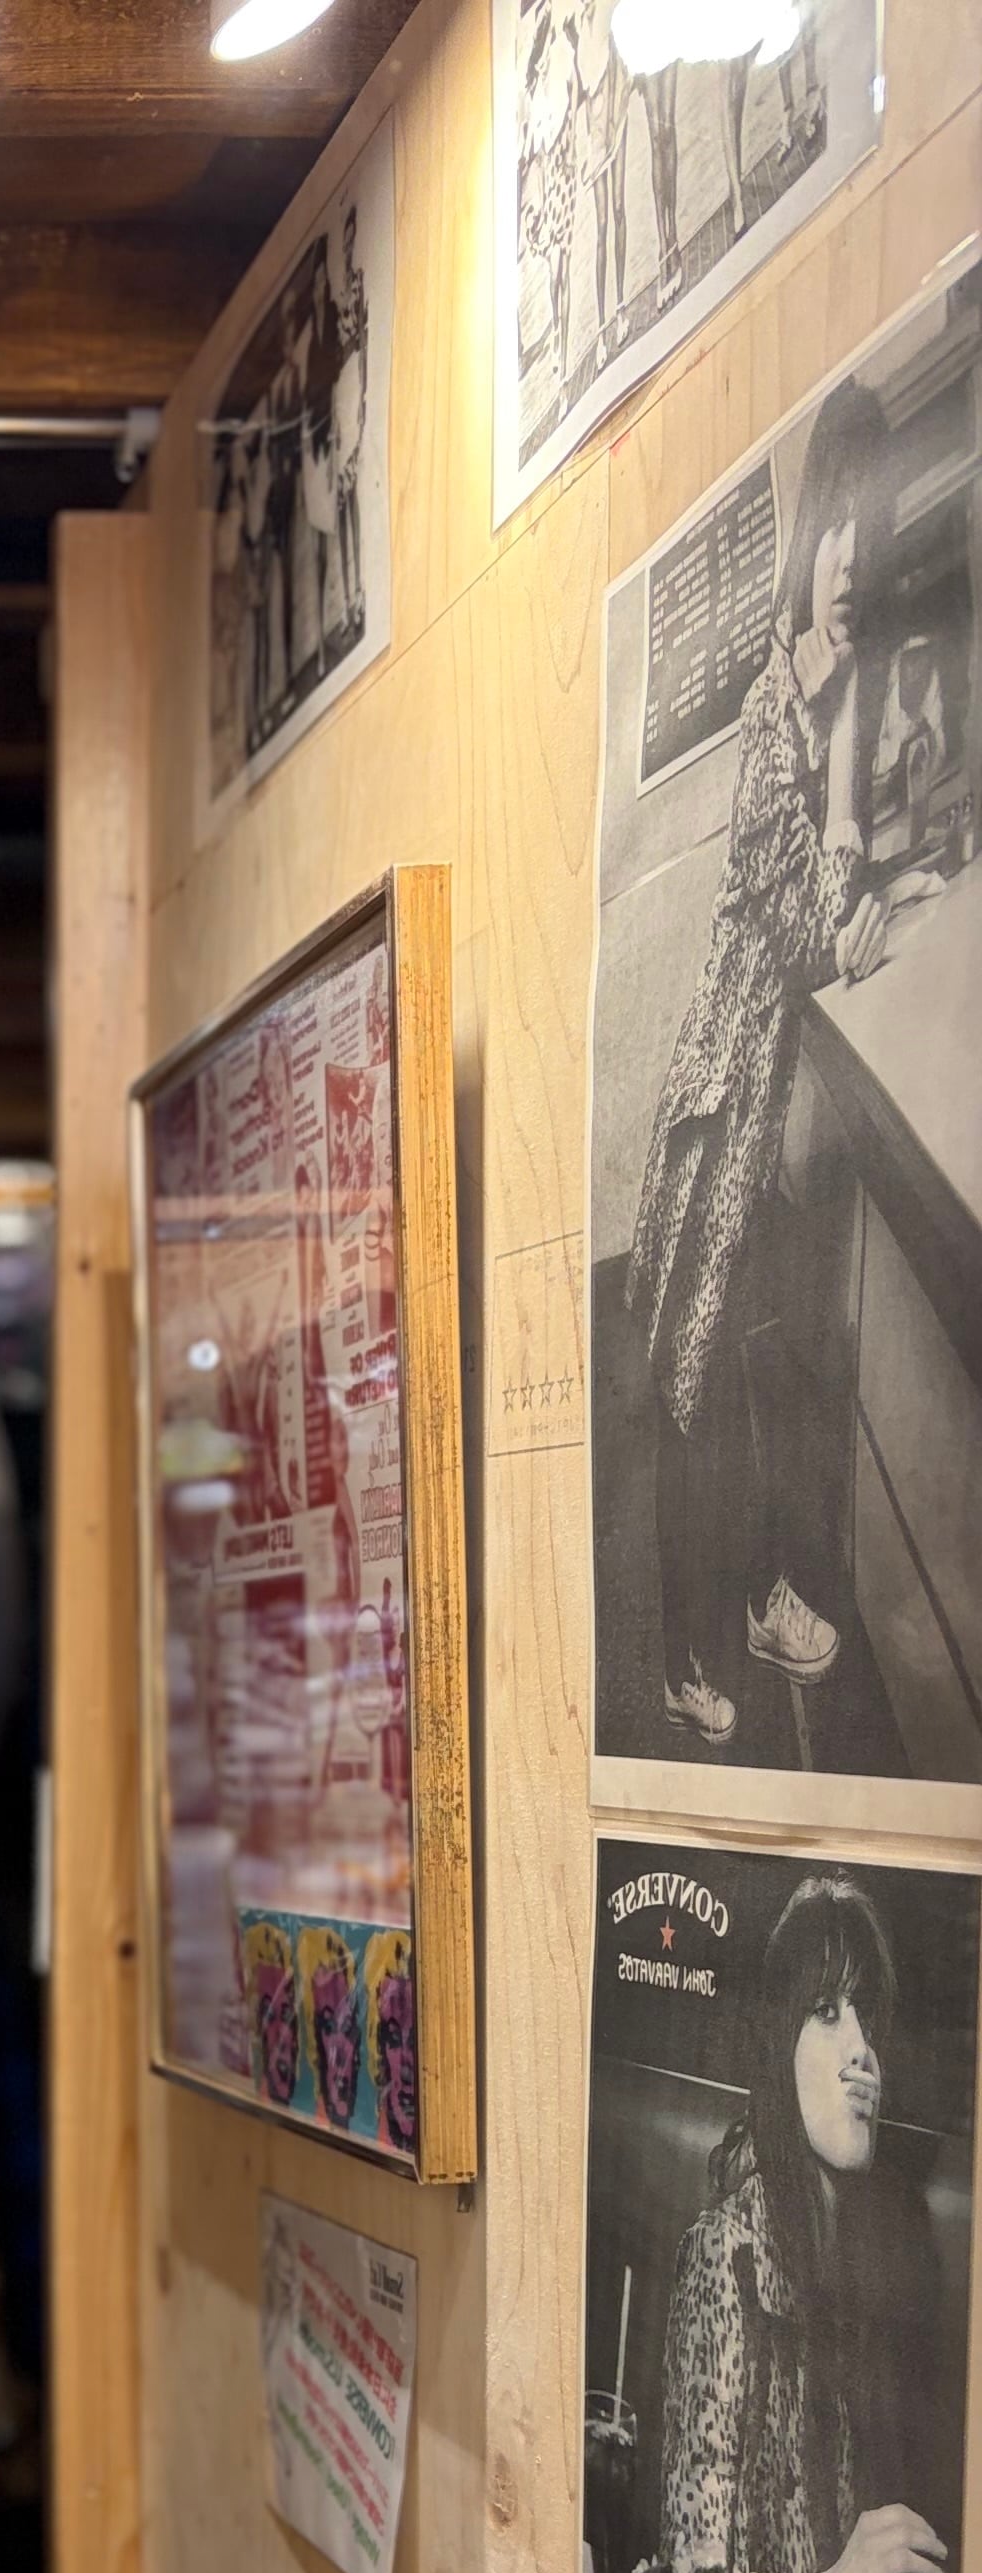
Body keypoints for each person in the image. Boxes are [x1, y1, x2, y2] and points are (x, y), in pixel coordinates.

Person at [626, 376, 937, 1749]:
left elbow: (830, 888)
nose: (855, 561)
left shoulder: (829, 694)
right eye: (841, 527)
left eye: (876, 531)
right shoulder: (776, 700)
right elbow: (799, 913)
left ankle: (754, 1604)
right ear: (813, 531)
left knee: (751, 1365)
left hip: (759, 1103)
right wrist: (855, 906)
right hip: (719, 1105)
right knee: (689, 1388)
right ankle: (678, 1658)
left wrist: (871, 886)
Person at [656, 1872, 954, 2573]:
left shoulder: (865, 2263)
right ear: (776, 2043)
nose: (863, 2052)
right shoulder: (728, 2253)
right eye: (826, 2011)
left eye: (869, 2019)